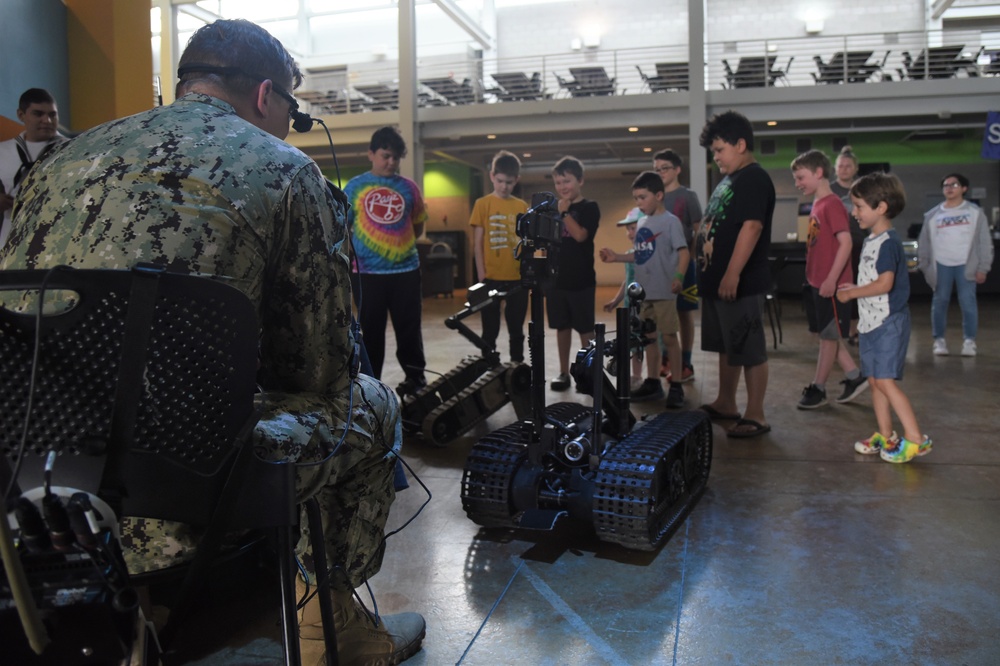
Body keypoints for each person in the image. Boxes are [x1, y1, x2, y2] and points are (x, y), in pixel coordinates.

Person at [0, 19, 424, 664]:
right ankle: (327, 629)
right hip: (193, 483)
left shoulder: (59, 158)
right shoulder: (287, 172)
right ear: (264, 96)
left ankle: (132, 605)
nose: (290, 121)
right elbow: (319, 372)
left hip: (40, 473)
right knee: (368, 404)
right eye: (291, 107)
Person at [837, 172, 932, 463]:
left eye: (859, 206)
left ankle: (916, 439)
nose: (854, 213)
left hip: (889, 323)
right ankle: (886, 435)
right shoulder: (871, 240)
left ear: (880, 207)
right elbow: (873, 280)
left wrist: (853, 294)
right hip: (870, 323)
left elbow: (885, 284)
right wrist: (855, 289)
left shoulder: (888, 242)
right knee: (876, 381)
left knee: (887, 382)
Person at [694, 110, 774, 438]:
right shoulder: (729, 179)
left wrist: (732, 273)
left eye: (719, 150)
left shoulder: (753, 177)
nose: (716, 157)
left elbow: (752, 226)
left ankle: (756, 413)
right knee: (727, 346)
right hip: (718, 283)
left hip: (740, 282)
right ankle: (726, 402)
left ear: (740, 145)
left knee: (748, 347)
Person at [345, 126, 429, 394]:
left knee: (409, 331)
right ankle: (371, 386)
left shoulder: (409, 188)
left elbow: (417, 227)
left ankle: (416, 380)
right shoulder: (355, 187)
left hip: (405, 271)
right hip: (367, 274)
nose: (391, 162)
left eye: (396, 157)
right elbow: (343, 228)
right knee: (371, 333)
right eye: (385, 155)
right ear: (371, 154)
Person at [600, 171, 689, 408]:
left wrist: (679, 276)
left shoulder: (671, 222)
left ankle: (677, 385)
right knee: (648, 339)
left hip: (663, 291)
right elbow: (640, 256)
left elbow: (684, 252)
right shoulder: (641, 222)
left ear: (658, 195)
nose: (639, 203)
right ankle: (652, 382)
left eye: (642, 197)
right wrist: (616, 257)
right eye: (636, 198)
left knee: (669, 337)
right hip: (644, 293)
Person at [790, 149, 867, 409]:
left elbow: (845, 243)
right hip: (817, 282)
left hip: (830, 285)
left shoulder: (832, 203)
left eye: (801, 177)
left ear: (819, 173)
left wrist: (832, 280)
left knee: (827, 338)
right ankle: (855, 377)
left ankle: (819, 388)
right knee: (829, 335)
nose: (797, 183)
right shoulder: (818, 203)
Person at [917, 173, 993, 357]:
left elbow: (984, 241)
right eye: (946, 185)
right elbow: (924, 243)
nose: (949, 188)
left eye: (954, 184)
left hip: (966, 265)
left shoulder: (975, 213)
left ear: (964, 189)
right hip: (941, 264)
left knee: (968, 302)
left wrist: (983, 267)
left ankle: (969, 341)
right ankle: (939, 340)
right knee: (940, 301)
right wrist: (925, 266)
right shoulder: (933, 215)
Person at [470, 150, 529, 362]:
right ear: (492, 176)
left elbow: (525, 242)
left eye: (510, 182)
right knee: (490, 331)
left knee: (516, 330)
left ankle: (517, 367)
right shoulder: (482, 204)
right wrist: (482, 276)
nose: (505, 186)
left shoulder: (521, 206)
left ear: (517, 180)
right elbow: (477, 243)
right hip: (491, 278)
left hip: (516, 279)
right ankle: (488, 368)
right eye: (501, 181)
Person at [547, 156, 600, 391]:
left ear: (580, 180)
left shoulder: (589, 207)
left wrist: (566, 213)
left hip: (581, 280)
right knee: (561, 327)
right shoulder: (553, 210)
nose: (562, 187)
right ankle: (563, 372)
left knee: (585, 329)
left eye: (566, 181)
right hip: (557, 279)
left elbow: (580, 236)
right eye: (558, 182)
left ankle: (589, 373)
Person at [652, 149, 702, 384]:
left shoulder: (687, 196)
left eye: (665, 168)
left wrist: (688, 259)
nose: (661, 172)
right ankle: (667, 357)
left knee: (684, 313)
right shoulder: (656, 197)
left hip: (684, 266)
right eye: (657, 169)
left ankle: (686, 362)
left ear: (677, 169)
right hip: (660, 266)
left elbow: (698, 229)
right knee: (663, 312)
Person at [0, 88, 66, 248]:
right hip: (10, 242)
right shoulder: (2, 152)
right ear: (21, 115)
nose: (47, 121)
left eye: (52, 114)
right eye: (38, 114)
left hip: (56, 241)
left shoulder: (73, 150)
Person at [603, 207, 646, 390]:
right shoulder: (630, 252)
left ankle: (638, 376)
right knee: (628, 341)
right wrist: (616, 300)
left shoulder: (646, 253)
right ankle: (629, 376)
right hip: (629, 307)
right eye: (628, 229)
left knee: (640, 342)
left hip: (643, 306)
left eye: (633, 228)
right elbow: (627, 280)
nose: (629, 233)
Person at [829, 145, 864, 344]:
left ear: (855, 168)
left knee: (857, 286)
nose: (844, 169)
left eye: (848, 166)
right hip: (836, 247)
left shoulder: (862, 189)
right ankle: (837, 328)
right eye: (840, 166)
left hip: (859, 244)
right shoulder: (830, 191)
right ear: (835, 169)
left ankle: (855, 329)